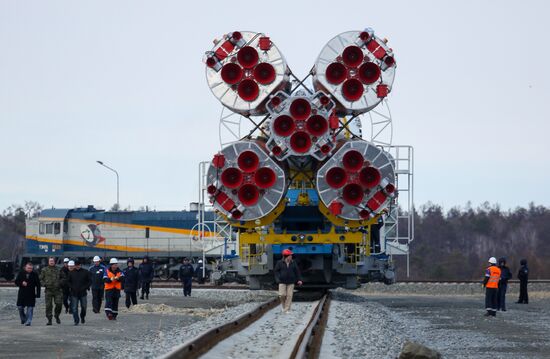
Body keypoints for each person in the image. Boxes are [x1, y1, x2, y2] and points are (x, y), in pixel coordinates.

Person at [39, 257, 64, 325]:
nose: (51, 262)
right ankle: (49, 319)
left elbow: (64, 278)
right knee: (48, 306)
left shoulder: (59, 269)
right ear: (48, 262)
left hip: (57, 290)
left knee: (59, 304)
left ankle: (57, 315)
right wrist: (44, 284)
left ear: (54, 262)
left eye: (52, 261)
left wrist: (60, 283)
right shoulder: (44, 270)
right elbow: (40, 279)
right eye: (50, 261)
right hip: (48, 290)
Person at [67, 260, 91, 325]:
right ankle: (76, 320)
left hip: (83, 293)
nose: (77, 266)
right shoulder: (71, 273)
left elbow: (89, 281)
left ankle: (82, 317)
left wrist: (85, 287)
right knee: (74, 308)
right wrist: (72, 287)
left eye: (78, 265)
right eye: (76, 265)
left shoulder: (85, 272)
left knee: (84, 307)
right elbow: (68, 282)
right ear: (74, 265)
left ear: (80, 265)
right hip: (74, 293)